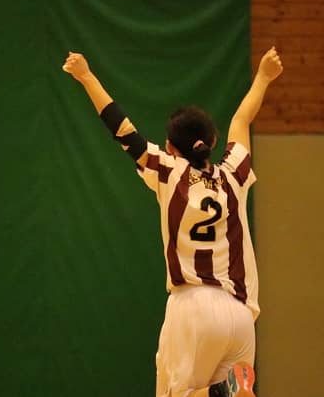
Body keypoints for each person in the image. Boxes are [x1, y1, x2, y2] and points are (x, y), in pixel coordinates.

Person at [62, 47, 283, 397]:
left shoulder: (168, 170)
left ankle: (222, 391)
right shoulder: (234, 174)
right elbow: (241, 120)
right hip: (240, 313)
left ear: (169, 146)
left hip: (193, 308)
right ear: (211, 142)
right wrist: (264, 77)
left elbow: (122, 129)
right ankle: (229, 389)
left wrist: (87, 76)